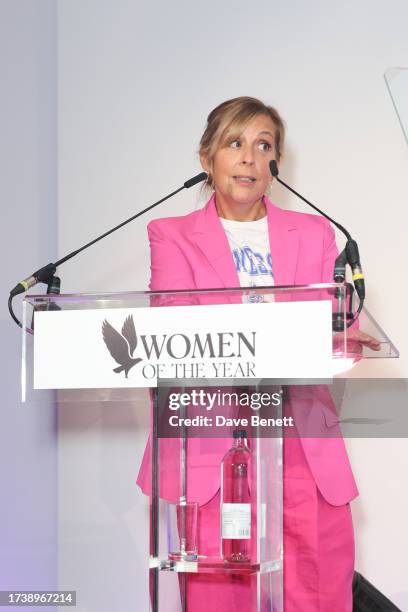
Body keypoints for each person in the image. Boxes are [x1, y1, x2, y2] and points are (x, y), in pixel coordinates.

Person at [137, 96, 380, 611]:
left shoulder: (314, 232)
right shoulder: (172, 236)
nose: (250, 157)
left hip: (302, 444)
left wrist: (343, 332)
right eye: (235, 143)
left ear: (276, 164)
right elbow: (176, 332)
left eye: (263, 145)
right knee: (216, 599)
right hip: (212, 444)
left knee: (316, 596)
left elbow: (336, 324)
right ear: (207, 158)